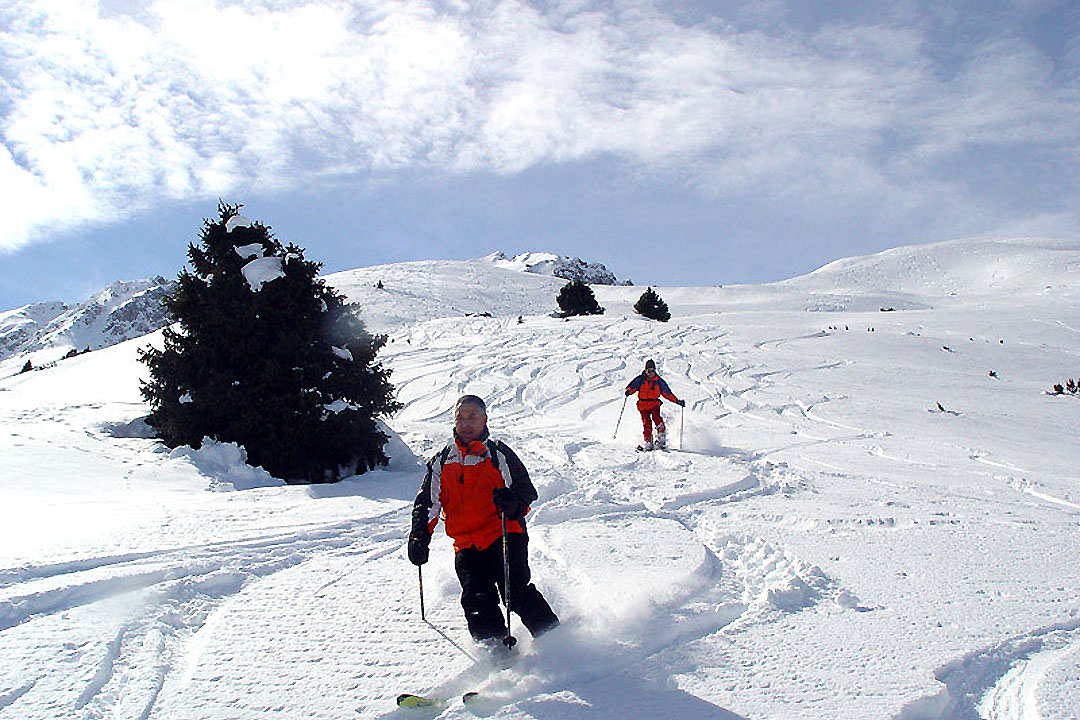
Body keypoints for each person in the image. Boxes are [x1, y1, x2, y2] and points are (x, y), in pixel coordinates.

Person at [408, 395, 559, 649]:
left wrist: (512, 504)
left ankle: (557, 642)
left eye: (472, 418)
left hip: (503, 533)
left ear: (484, 420)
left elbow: (525, 491)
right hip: (466, 543)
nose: (465, 424)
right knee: (476, 600)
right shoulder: (442, 461)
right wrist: (419, 536)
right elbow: (427, 504)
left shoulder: (498, 453)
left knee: (515, 592)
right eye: (460, 418)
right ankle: (496, 654)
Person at [624, 359, 684, 450]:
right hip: (643, 405)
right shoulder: (640, 379)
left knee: (658, 419)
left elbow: (667, 393)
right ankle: (648, 441)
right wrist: (629, 391)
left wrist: (677, 401)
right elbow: (632, 387)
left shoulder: (658, 381)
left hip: (654, 404)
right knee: (646, 423)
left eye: (653, 370)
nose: (651, 373)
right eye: (649, 371)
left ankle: (661, 439)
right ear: (645, 370)